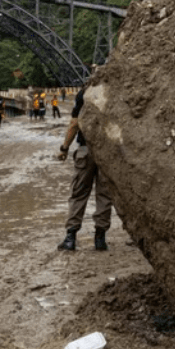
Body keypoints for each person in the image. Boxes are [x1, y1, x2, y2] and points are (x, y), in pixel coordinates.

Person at [56, 86, 113, 252]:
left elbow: (74, 123)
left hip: (85, 149)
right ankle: (100, 239)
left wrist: (64, 148)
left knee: (78, 193)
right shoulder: (113, 90)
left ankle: (70, 238)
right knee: (104, 195)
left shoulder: (84, 93)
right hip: (107, 151)